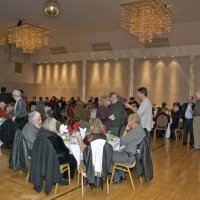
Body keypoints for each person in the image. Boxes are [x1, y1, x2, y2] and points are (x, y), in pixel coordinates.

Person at [112, 113, 146, 183]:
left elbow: (121, 141)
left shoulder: (134, 131)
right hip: (133, 155)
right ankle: (121, 175)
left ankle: (117, 177)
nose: (127, 122)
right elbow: (132, 143)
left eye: (128, 120)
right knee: (115, 152)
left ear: (132, 122)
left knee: (108, 154)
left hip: (128, 157)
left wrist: (126, 129)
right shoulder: (140, 129)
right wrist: (124, 148)